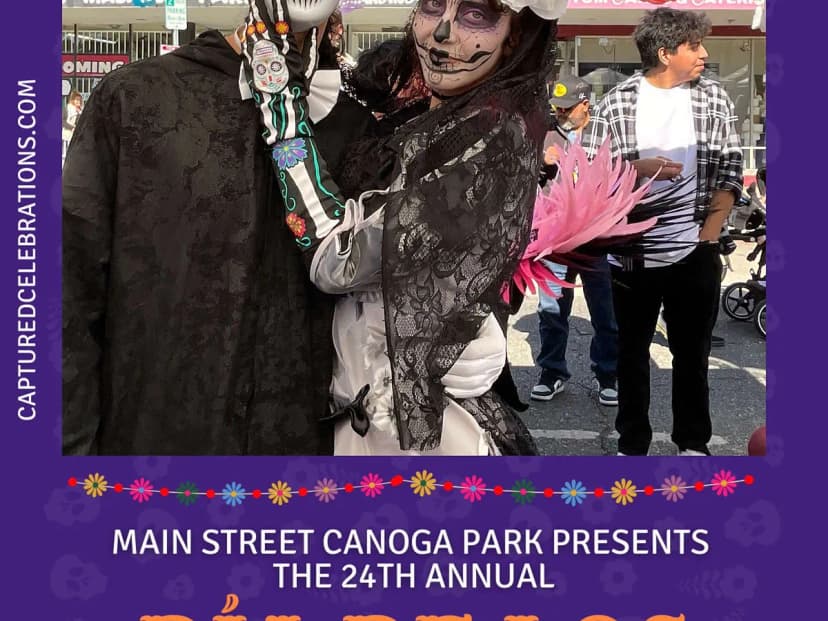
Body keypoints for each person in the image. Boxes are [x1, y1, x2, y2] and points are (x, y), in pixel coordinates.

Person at [62, 4, 502, 455]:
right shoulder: (135, 100)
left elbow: (409, 265)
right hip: (152, 460)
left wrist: (467, 325)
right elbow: (67, 298)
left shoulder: (369, 128)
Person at [240, 0, 570, 454]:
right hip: (362, 417)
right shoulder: (422, 113)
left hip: (421, 438)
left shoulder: (491, 138)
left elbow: (336, 262)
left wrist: (281, 108)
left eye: (477, 14)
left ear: (515, 35)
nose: (442, 33)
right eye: (433, 5)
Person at [582, 7, 743, 456]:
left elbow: (731, 169)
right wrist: (636, 168)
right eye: (694, 46)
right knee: (631, 356)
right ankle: (632, 443)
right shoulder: (617, 102)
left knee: (691, 357)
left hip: (696, 251)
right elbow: (591, 176)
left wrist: (707, 237)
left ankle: (693, 442)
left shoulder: (714, 98)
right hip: (631, 254)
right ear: (664, 51)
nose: (704, 54)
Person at [530, 75, 618, 407]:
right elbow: (525, 177)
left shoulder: (607, 132)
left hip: (596, 239)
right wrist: (541, 163)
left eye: (567, 109)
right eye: (557, 108)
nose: (561, 115)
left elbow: (619, 175)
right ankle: (551, 373)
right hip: (555, 239)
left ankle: (607, 375)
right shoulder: (545, 131)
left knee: (605, 312)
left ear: (585, 105)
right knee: (551, 311)